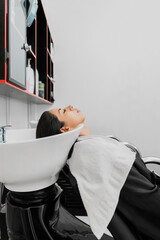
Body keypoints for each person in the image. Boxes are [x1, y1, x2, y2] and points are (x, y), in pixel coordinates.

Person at [36, 105, 160, 240]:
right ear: (65, 129)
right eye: (63, 111)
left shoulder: (85, 148)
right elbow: (144, 195)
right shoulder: (93, 151)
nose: (70, 107)